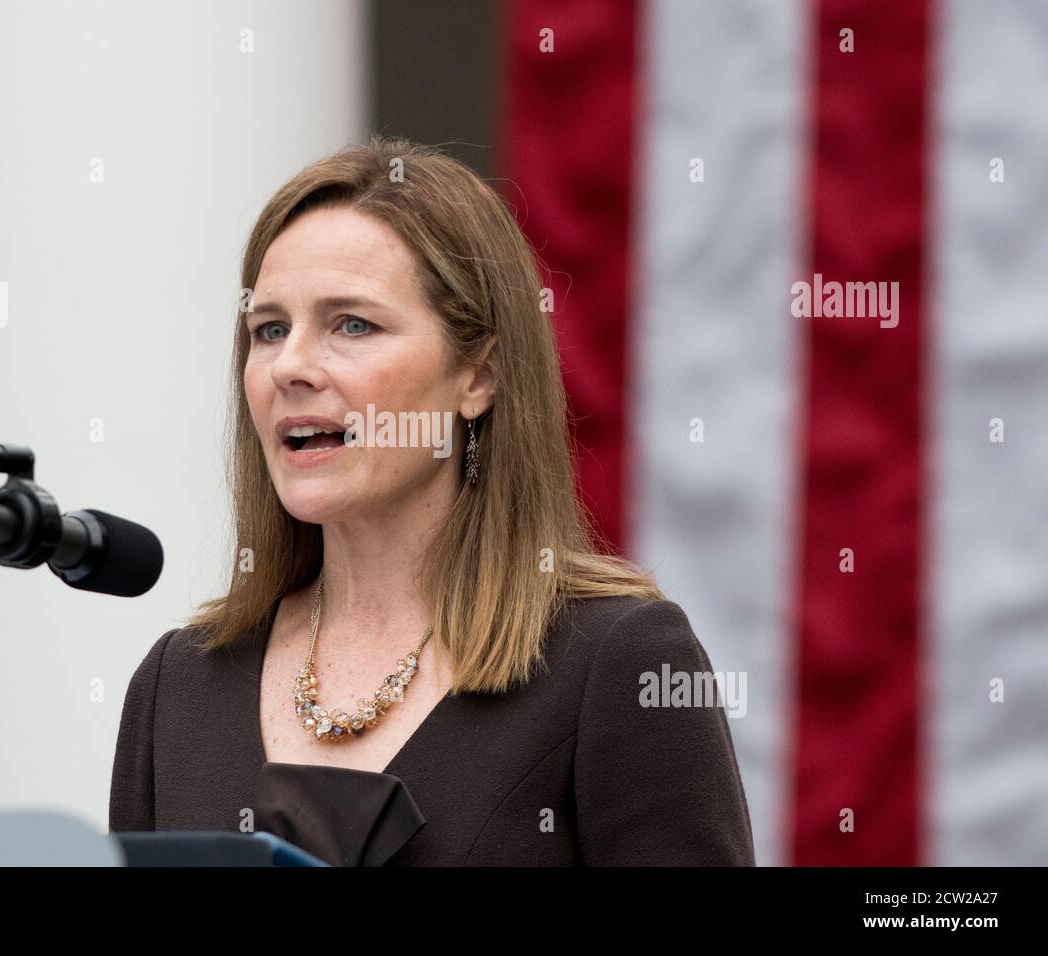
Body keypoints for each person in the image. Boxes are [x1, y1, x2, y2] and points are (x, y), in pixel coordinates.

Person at [109, 134, 755, 866]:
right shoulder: (179, 684)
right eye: (269, 329)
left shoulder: (616, 662)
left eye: (352, 324)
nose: (290, 365)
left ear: (477, 376)